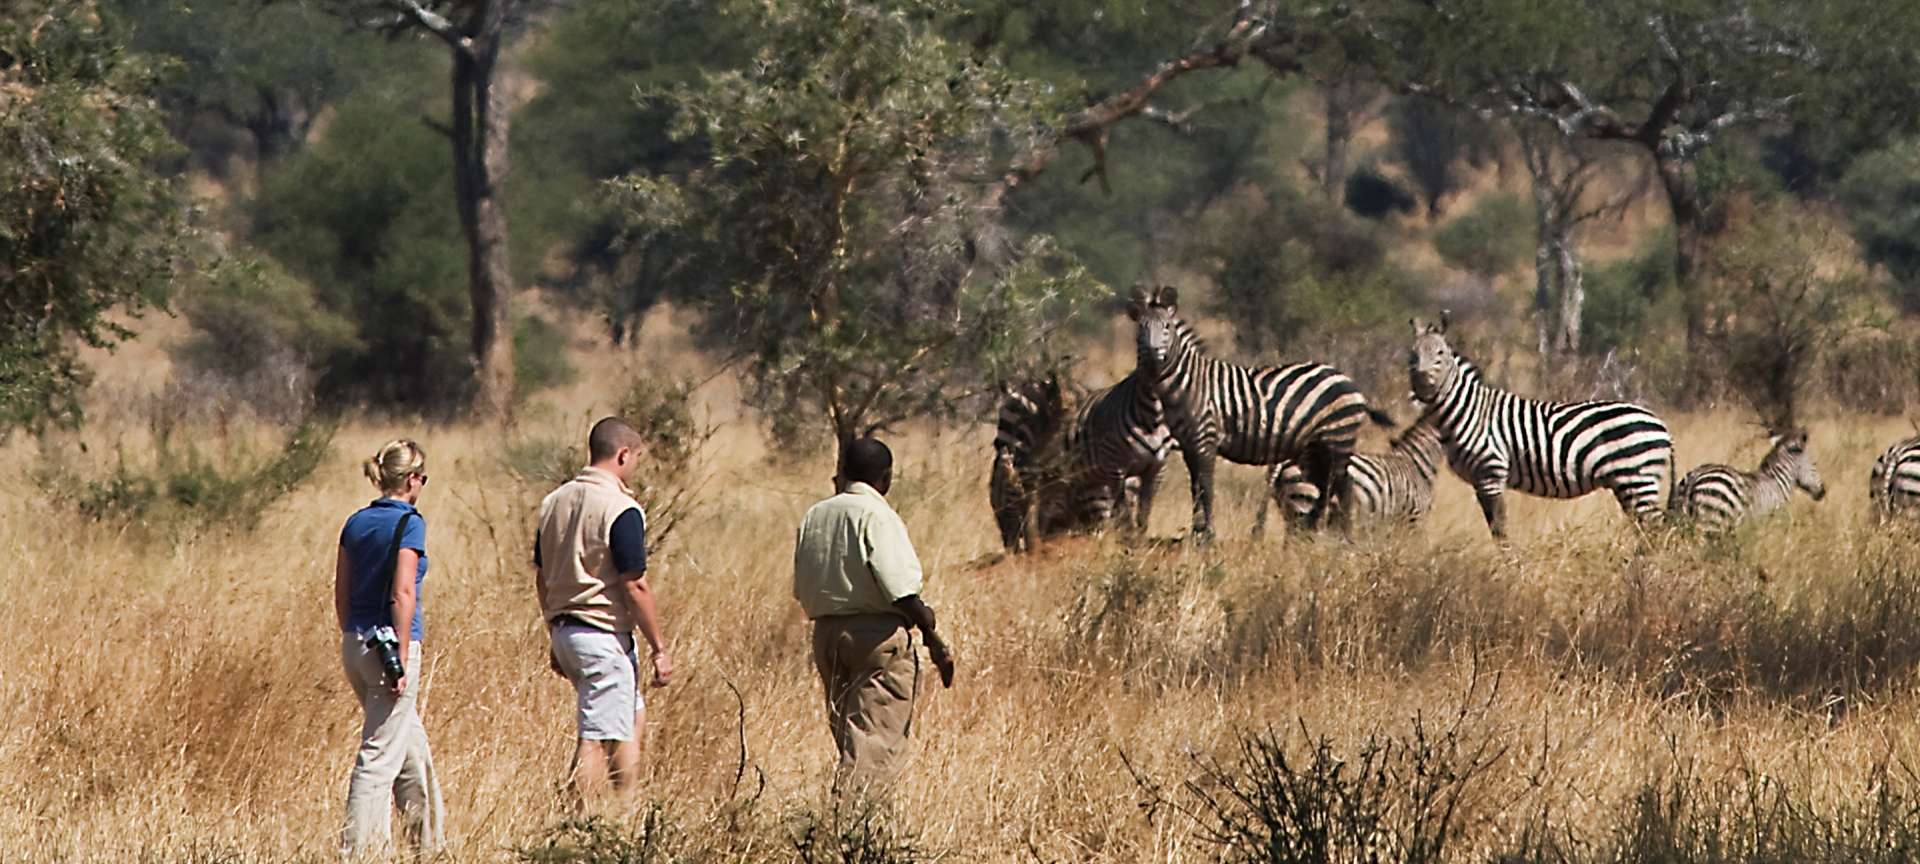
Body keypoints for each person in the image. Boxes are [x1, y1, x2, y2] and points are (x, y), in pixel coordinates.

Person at [792, 436, 956, 795]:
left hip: (826, 635)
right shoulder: (877, 515)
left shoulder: (815, 515)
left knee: (849, 737)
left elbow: (801, 584)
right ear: (886, 478)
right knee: (873, 747)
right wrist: (928, 624)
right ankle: (858, 832)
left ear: (844, 472)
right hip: (876, 639)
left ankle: (842, 825)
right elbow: (899, 588)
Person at [534, 416, 673, 800]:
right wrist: (659, 648)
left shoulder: (552, 502)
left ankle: (624, 809)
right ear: (624, 455)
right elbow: (635, 583)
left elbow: (542, 577)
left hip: (566, 631)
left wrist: (555, 631)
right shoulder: (620, 507)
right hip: (601, 636)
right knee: (595, 738)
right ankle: (584, 825)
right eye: (637, 458)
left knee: (630, 716)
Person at [335, 439, 445, 860]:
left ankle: (428, 845)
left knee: (409, 746)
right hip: (391, 648)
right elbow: (403, 592)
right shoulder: (410, 523)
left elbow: (341, 593)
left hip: (356, 643)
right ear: (413, 478)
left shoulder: (356, 522)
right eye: (423, 478)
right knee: (378, 759)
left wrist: (354, 635)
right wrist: (398, 656)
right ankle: (358, 851)